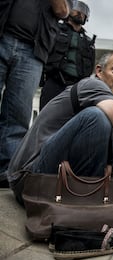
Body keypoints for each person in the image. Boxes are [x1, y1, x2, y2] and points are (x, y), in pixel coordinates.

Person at [7, 50, 113, 205]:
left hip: (55, 180)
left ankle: (111, 199)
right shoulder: (92, 85)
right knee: (97, 118)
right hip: (28, 179)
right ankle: (90, 200)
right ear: (99, 71)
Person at [0, 0, 72, 188]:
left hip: (32, 51)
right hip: (3, 35)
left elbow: (63, 11)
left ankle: (6, 171)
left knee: (18, 116)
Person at [39, 0, 96, 110]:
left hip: (76, 87)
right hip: (54, 81)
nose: (80, 12)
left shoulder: (88, 42)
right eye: (76, 9)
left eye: (83, 11)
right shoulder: (55, 29)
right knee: (46, 116)